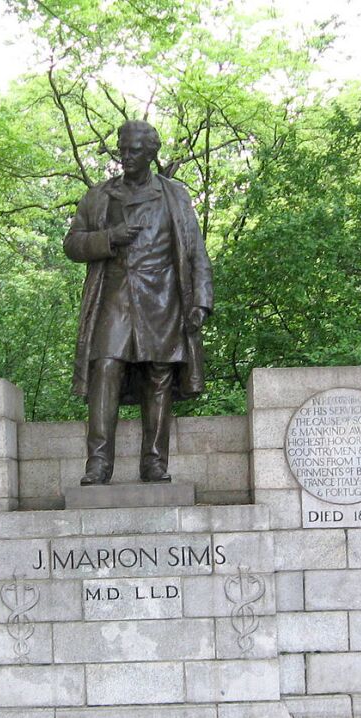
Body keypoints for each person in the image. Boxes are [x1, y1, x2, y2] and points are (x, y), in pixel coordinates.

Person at [64, 120, 213, 485]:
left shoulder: (174, 196)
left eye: (134, 150)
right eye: (122, 149)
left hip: (162, 299)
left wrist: (202, 300)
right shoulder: (99, 195)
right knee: (106, 368)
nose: (126, 156)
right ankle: (98, 464)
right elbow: (72, 244)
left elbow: (196, 251)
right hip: (114, 297)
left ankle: (154, 464)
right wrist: (108, 237)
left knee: (158, 376)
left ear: (150, 153)